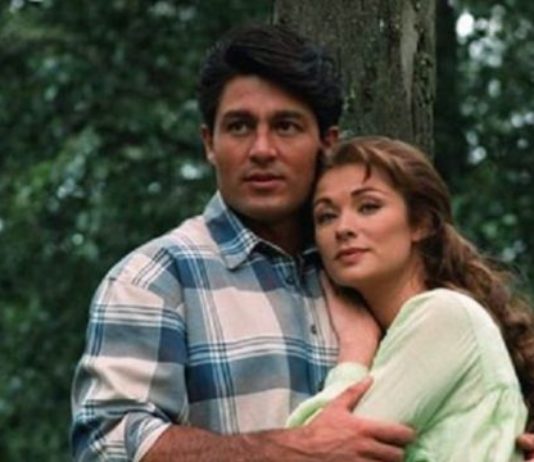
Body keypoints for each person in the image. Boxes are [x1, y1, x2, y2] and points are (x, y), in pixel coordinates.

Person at [70, 24, 534, 461]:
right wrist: (288, 449)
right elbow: (106, 446)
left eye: (286, 126)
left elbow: (475, 389)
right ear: (210, 143)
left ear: (326, 142)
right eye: (239, 126)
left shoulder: (364, 267)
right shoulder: (155, 278)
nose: (262, 150)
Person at [286, 136, 534, 460]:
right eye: (326, 216)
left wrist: (353, 353)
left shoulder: (445, 315)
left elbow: (319, 454)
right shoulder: (414, 330)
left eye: (368, 207)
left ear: (421, 223)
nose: (343, 228)